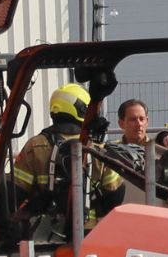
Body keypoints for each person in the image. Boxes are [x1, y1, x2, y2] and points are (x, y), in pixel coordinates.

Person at [10, 82, 124, 235]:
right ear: (83, 109)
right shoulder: (97, 148)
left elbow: (16, 192)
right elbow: (115, 195)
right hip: (89, 233)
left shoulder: (34, 146)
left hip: (44, 235)